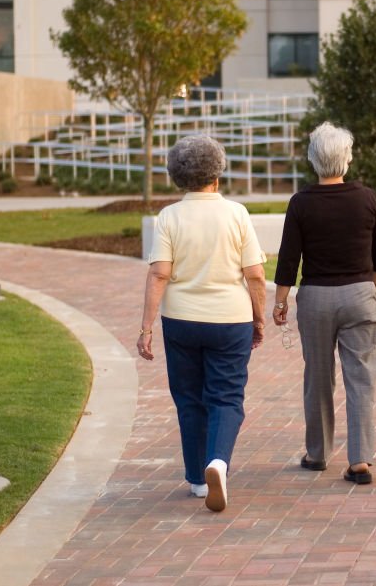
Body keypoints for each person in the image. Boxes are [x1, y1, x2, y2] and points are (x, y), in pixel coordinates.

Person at [137, 135, 267, 512]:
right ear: (217, 173)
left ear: (177, 175)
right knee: (226, 397)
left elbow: (159, 274)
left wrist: (146, 328)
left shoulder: (169, 217)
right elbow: (256, 275)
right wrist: (259, 318)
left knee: (189, 399)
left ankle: (197, 479)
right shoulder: (237, 214)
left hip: (180, 321)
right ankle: (218, 462)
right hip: (230, 320)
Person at [273, 122, 376, 486]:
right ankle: (360, 460)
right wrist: (374, 290)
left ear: (312, 160)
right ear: (347, 159)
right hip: (360, 293)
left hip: (317, 299)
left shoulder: (301, 203)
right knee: (361, 379)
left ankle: (318, 453)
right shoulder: (367, 198)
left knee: (318, 377)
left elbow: (289, 259)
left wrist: (279, 301)